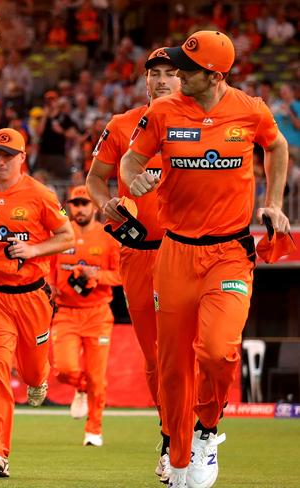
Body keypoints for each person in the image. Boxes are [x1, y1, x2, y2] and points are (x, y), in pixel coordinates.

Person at [120, 31, 291, 488]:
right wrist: (134, 178)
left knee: (217, 351)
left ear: (213, 75)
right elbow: (128, 162)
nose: (177, 74)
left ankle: (207, 432)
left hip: (230, 253)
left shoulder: (251, 110)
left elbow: (276, 146)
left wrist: (274, 201)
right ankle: (177, 458)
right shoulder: (161, 112)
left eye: (187, 68)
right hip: (174, 252)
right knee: (174, 365)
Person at [86, 47, 181, 482]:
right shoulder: (122, 125)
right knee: (154, 356)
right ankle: (169, 437)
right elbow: (95, 178)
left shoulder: (202, 124)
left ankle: (195, 433)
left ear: (185, 79)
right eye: (154, 74)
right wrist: (107, 206)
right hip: (138, 251)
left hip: (188, 248)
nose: (161, 80)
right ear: (145, 80)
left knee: (198, 347)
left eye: (170, 73)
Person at [0, 128, 74, 478]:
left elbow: (67, 237)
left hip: (31, 297)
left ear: (23, 158)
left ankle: (39, 379)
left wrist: (34, 249)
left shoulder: (40, 194)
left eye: (8, 155)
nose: (0, 160)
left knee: (32, 372)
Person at [49, 185, 121, 448]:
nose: (79, 208)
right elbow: (50, 268)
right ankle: (80, 387)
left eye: (84, 203)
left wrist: (96, 276)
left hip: (98, 314)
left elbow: (122, 274)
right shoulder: (60, 234)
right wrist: (51, 286)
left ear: (94, 207)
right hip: (66, 313)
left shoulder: (108, 237)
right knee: (64, 369)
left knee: (97, 377)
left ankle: (94, 429)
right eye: (75, 203)